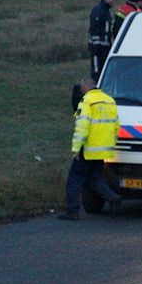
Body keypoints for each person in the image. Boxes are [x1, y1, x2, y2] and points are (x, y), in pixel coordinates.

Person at [59, 78, 122, 220]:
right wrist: (112, 144)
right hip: (103, 150)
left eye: (81, 89)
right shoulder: (109, 100)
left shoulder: (86, 101)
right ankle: (113, 198)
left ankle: (72, 211)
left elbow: (82, 127)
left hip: (87, 149)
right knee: (95, 179)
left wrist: (76, 149)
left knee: (74, 179)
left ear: (85, 88)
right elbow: (116, 125)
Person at [88, 0, 114, 81]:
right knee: (97, 70)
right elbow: (94, 28)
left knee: (103, 69)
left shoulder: (106, 11)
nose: (111, 0)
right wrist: (96, 45)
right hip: (97, 47)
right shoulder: (98, 11)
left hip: (105, 46)